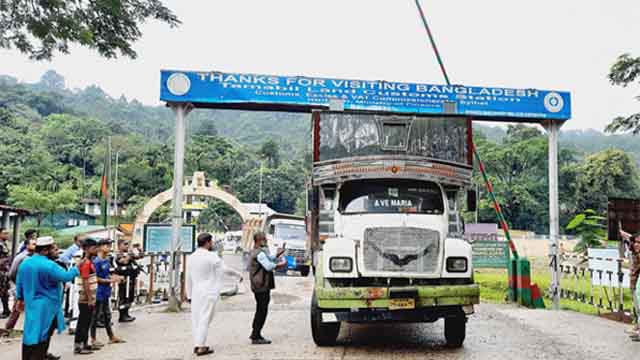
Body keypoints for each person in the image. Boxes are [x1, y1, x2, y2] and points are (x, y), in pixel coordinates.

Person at [16, 236, 79, 360]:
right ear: (45, 250)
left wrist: (20, 298)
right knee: (43, 335)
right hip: (48, 307)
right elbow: (66, 276)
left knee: (30, 334)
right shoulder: (49, 265)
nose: (57, 252)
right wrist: (76, 268)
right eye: (53, 249)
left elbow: (20, 284)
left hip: (31, 304)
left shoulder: (25, 263)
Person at [187, 232, 242, 356]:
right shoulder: (211, 256)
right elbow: (225, 269)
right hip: (209, 291)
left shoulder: (192, 257)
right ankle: (200, 346)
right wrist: (238, 275)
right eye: (211, 242)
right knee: (205, 319)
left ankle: (197, 343)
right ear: (207, 242)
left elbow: (188, 277)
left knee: (197, 319)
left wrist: (189, 295)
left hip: (196, 292)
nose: (212, 244)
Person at [249, 231, 287, 345]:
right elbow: (269, 266)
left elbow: (269, 258)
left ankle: (255, 333)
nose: (265, 241)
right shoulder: (259, 253)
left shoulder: (258, 251)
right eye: (264, 239)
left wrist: (278, 254)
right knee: (262, 310)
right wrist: (281, 264)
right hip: (261, 285)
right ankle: (256, 335)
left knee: (260, 309)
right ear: (259, 240)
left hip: (258, 285)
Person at [90, 238, 126, 347]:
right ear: (100, 247)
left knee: (107, 315)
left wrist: (116, 277)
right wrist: (111, 280)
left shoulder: (106, 260)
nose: (109, 247)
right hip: (99, 291)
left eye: (110, 245)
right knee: (95, 315)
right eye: (107, 245)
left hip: (106, 291)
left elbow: (107, 274)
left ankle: (111, 336)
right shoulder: (97, 261)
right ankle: (93, 338)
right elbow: (95, 278)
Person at [73, 238, 99, 355]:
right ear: (86, 249)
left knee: (87, 321)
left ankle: (85, 343)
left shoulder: (88, 261)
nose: (96, 250)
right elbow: (85, 281)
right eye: (94, 248)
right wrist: (89, 298)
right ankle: (79, 345)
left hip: (89, 296)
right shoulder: (86, 263)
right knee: (83, 321)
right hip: (85, 297)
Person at [5, 236, 37, 331]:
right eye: (33, 244)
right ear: (27, 245)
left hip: (31, 286)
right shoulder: (21, 257)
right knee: (17, 309)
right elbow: (12, 273)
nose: (35, 246)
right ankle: (8, 328)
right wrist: (18, 285)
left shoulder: (35, 257)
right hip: (21, 286)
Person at [115, 239, 140, 322]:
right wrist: (129, 255)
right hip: (124, 279)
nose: (127, 246)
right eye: (125, 244)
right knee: (123, 296)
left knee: (129, 297)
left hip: (131, 277)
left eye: (128, 244)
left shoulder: (128, 253)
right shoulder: (119, 254)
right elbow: (124, 262)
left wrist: (139, 249)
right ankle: (122, 315)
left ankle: (126, 313)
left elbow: (139, 256)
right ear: (119, 245)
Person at [0, 227, 11, 318]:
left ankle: (6, 310)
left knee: (5, 291)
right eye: (4, 233)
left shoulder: (4, 244)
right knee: (2, 291)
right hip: (1, 271)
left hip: (5, 272)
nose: (7, 235)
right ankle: (5, 311)